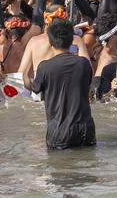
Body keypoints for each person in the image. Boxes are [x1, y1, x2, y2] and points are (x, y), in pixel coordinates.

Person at [30, 21, 96, 150]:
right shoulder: (84, 64)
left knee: (59, 168)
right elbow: (87, 86)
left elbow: (36, 92)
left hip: (59, 131)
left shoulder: (44, 67)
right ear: (72, 40)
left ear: (50, 42)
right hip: (85, 130)